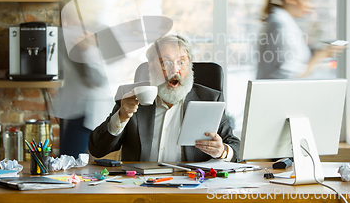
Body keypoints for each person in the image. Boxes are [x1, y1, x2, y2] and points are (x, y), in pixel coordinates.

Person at [88, 34, 240, 162]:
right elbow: (97, 149)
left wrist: (223, 151)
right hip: (140, 189)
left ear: (190, 65)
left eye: (181, 62)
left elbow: (236, 148)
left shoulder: (210, 99)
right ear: (150, 66)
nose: (175, 70)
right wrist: (121, 116)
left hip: (192, 187)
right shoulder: (132, 98)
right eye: (165, 63)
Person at [53, 0, 114, 158]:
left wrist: (87, 51)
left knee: (69, 166)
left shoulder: (98, 30)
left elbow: (100, 79)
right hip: (76, 110)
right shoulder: (70, 31)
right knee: (68, 164)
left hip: (90, 112)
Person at [256, 0, 344, 79]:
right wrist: (320, 56)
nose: (311, 6)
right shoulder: (281, 26)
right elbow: (292, 77)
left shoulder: (281, 21)